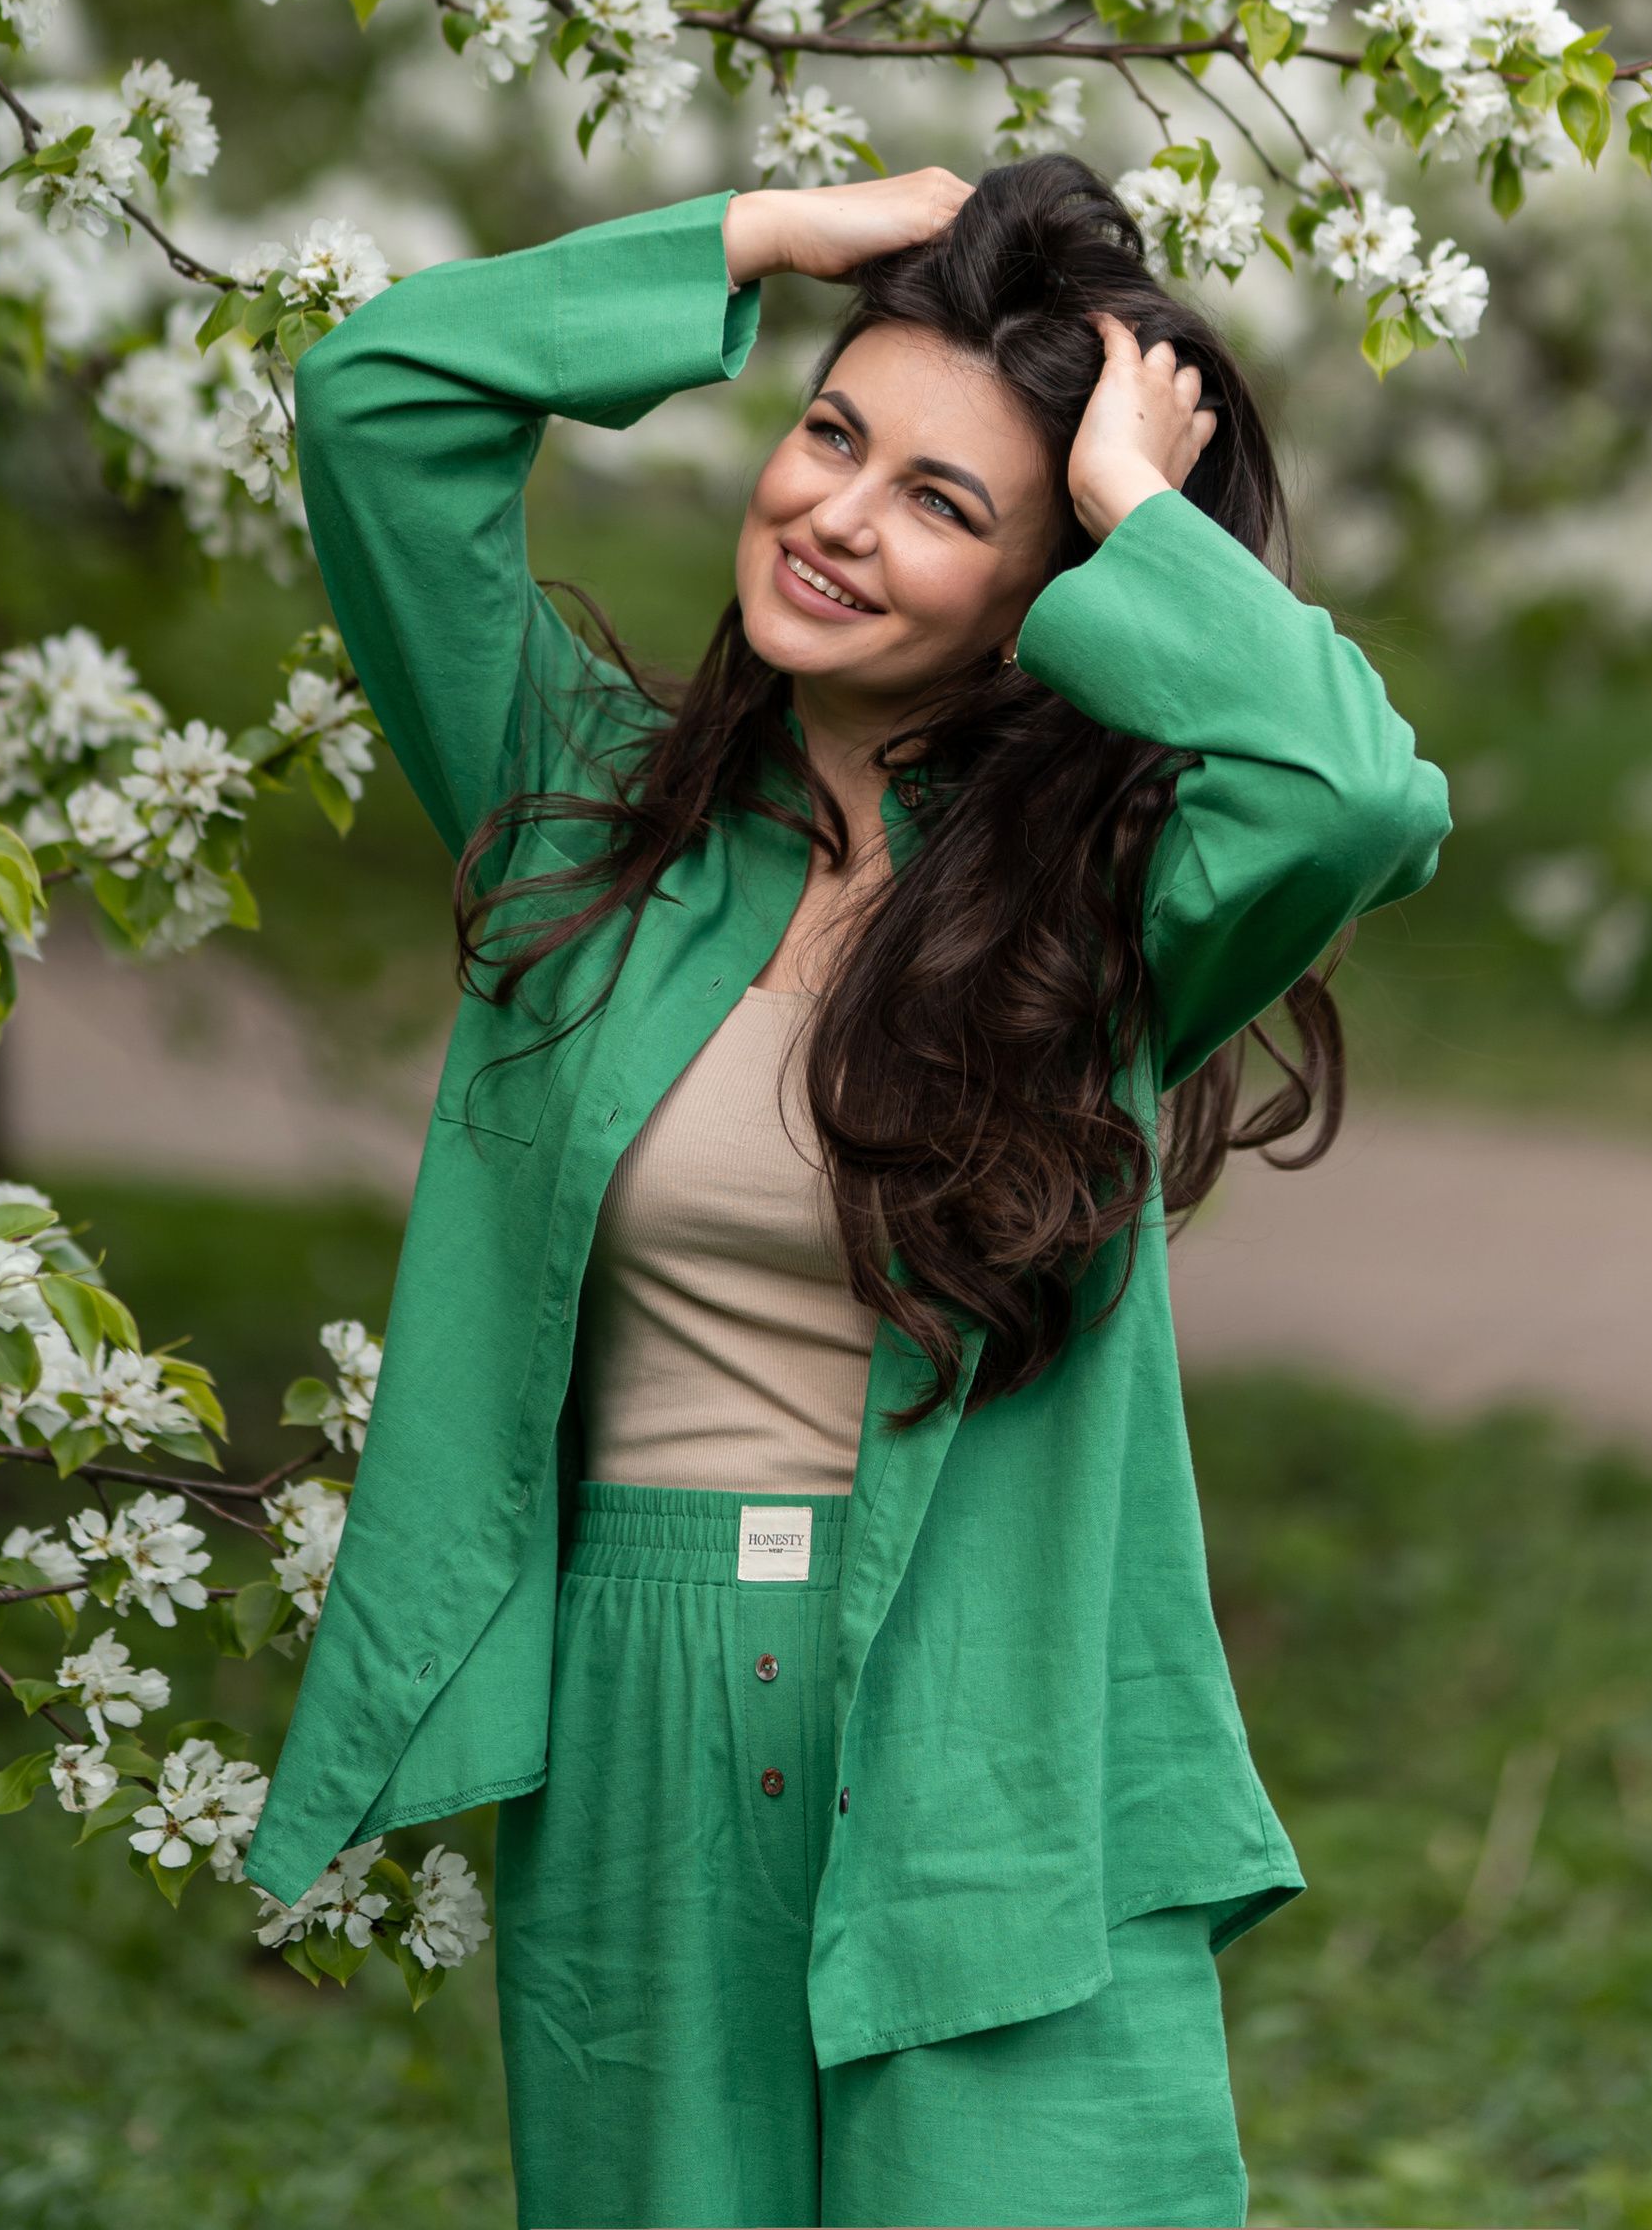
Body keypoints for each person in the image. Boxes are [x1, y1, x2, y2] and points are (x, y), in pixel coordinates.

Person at [245, 157, 1449, 2229]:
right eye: (830, 436)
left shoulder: (1102, 925)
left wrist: (1141, 512)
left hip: (981, 1702)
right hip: (640, 1699)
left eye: (945, 503)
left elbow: (1350, 793)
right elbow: (378, 401)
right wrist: (760, 240)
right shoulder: (575, 816)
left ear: (1036, 592)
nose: (834, 517)